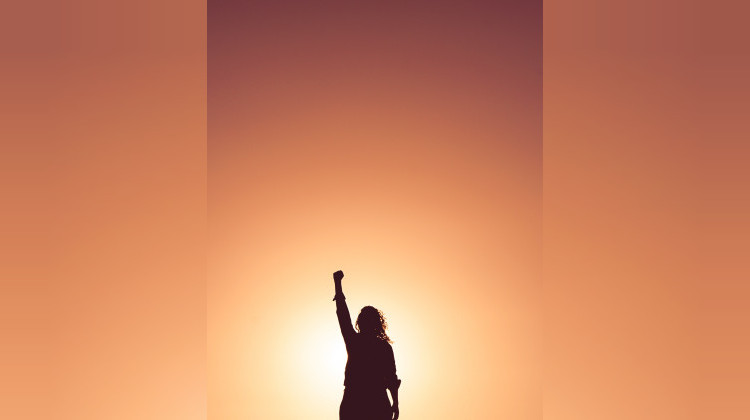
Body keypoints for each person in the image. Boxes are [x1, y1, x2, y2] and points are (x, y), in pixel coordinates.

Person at [332, 270, 401, 420]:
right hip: (367, 400)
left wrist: (337, 284)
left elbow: (391, 378)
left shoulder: (356, 341)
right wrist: (395, 403)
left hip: (361, 400)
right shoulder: (381, 347)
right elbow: (342, 314)